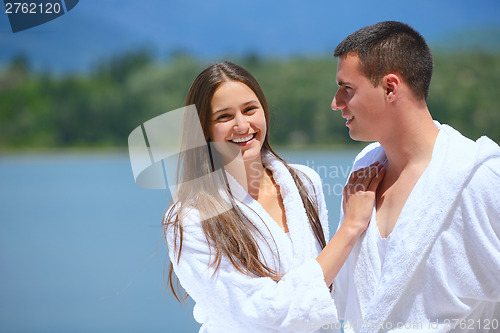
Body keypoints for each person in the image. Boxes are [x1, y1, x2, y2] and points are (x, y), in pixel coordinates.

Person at [163, 61, 385, 332]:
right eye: (224, 117)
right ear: (203, 130)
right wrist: (350, 228)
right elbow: (260, 315)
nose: (242, 125)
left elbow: (330, 287)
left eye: (249, 109)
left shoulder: (304, 183)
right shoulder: (190, 219)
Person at [331, 21, 500, 332]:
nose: (336, 103)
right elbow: (345, 296)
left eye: (347, 89)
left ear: (390, 87)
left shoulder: (480, 177)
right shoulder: (364, 169)